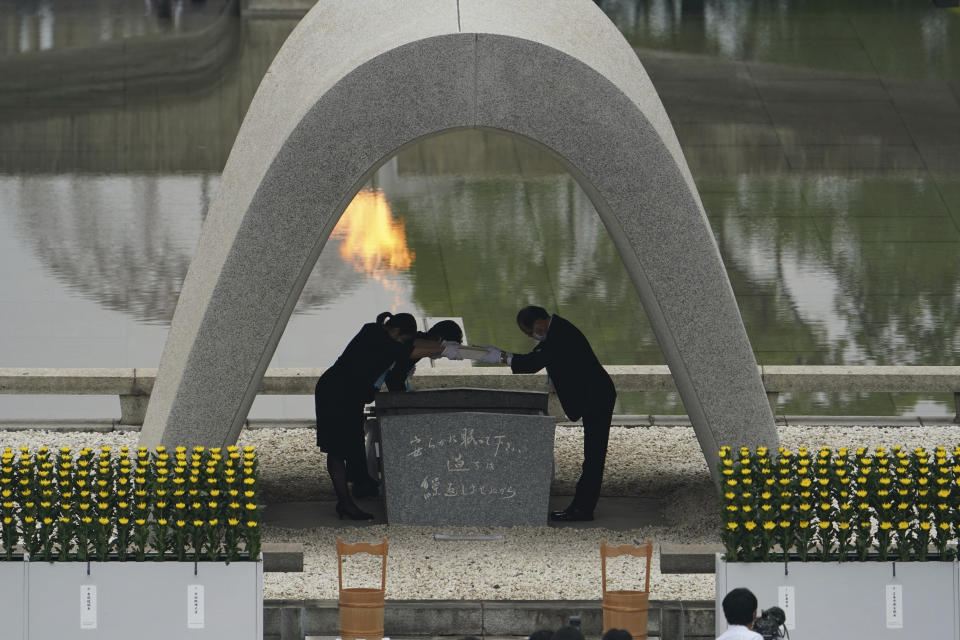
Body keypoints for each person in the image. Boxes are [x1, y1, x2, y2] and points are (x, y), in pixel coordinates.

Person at [314, 311, 455, 520]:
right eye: (403, 339)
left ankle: (355, 490)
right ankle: (345, 503)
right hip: (335, 393)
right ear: (396, 331)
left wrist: (445, 348)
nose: (402, 343)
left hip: (348, 395)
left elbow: (413, 344)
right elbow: (411, 348)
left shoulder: (374, 330)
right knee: (336, 449)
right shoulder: (382, 341)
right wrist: (449, 349)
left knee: (351, 443)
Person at [481, 306, 616, 521]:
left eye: (530, 332)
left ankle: (582, 509)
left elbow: (531, 363)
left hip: (597, 397)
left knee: (594, 457)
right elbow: (534, 357)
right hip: (594, 395)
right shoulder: (555, 331)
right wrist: (503, 356)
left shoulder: (559, 336)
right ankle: (581, 506)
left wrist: (501, 357)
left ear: (540, 322)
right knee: (593, 456)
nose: (532, 336)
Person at [385, 320, 463, 392]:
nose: (441, 355)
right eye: (443, 347)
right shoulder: (413, 342)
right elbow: (393, 380)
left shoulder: (417, 337)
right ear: (437, 338)